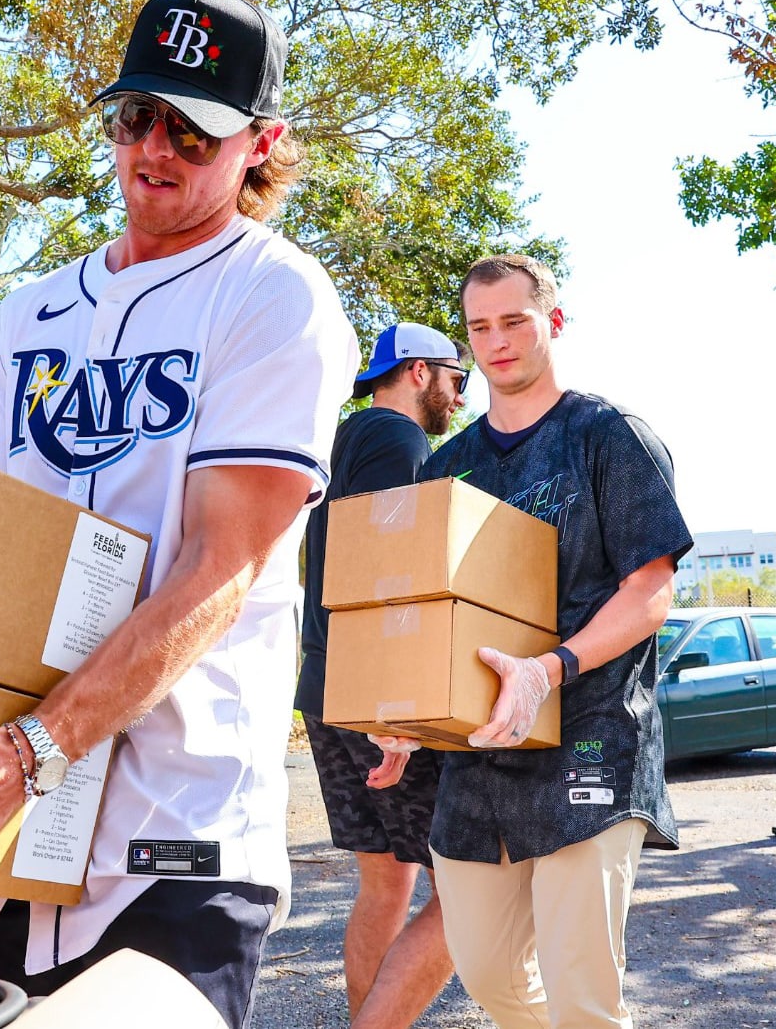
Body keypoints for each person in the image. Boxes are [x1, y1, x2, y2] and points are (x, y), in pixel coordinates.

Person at [0, 0, 357, 1026]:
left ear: (262, 142)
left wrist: (25, 756)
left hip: (174, 822)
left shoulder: (275, 296)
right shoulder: (33, 312)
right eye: (134, 117)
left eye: (193, 129)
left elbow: (222, 567)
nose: (155, 148)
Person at [400, 254, 692, 1029]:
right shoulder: (449, 465)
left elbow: (650, 591)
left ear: (552, 322)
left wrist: (549, 668)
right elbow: (430, 611)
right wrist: (407, 715)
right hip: (477, 759)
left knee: (582, 997)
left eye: (513, 321)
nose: (496, 342)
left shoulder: (607, 436)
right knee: (489, 972)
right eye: (478, 328)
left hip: (589, 743)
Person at [294, 321, 464, 1028]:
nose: (460, 396)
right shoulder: (397, 440)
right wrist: (395, 714)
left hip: (324, 685)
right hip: (373, 691)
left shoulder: (336, 444)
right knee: (473, 888)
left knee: (384, 882)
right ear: (420, 372)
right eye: (458, 378)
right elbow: (390, 563)